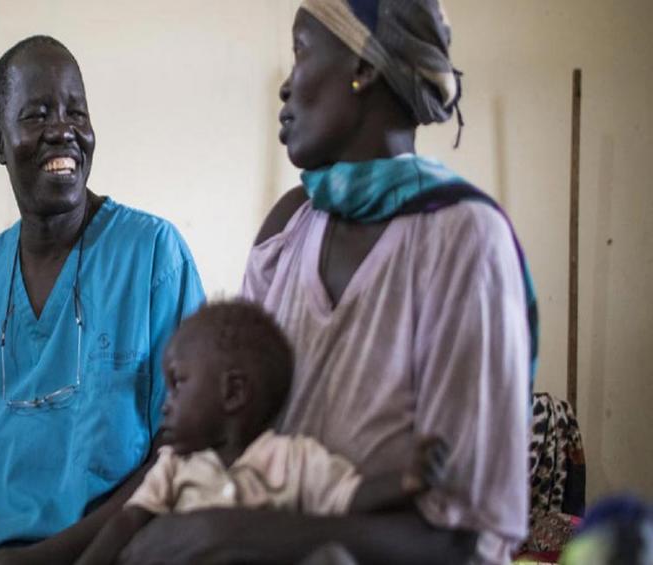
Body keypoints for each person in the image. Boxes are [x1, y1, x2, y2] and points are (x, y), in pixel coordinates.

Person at [117, 2, 534, 564]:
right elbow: (236, 442)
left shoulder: (463, 240)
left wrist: (228, 532)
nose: (286, 89)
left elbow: (466, 541)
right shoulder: (288, 228)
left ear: (362, 65)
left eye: (301, 51)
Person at [0, 35, 205, 564]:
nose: (62, 129)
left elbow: (182, 455)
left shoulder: (154, 256)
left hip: (109, 552)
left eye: (76, 112)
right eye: (37, 114)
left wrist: (41, 560)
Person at [76, 301, 449, 565]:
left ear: (233, 392)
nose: (166, 404)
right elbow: (128, 521)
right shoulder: (173, 466)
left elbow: (350, 497)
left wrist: (404, 479)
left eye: (178, 383)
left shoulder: (295, 459)